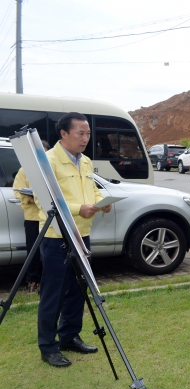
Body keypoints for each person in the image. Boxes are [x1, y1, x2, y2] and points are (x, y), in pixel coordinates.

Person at [37, 112, 113, 367]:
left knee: (79, 290)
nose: (85, 138)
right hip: (56, 236)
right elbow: (43, 200)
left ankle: (69, 336)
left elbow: (91, 189)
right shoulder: (47, 161)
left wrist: (101, 202)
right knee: (54, 293)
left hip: (82, 234)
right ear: (64, 134)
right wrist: (78, 207)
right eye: (80, 133)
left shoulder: (87, 162)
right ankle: (48, 347)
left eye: (88, 133)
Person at [13, 166, 42, 294]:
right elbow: (18, 190)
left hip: (51, 217)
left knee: (52, 251)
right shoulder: (25, 170)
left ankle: (47, 281)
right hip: (33, 217)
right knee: (33, 251)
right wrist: (31, 199)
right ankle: (33, 281)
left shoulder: (52, 168)